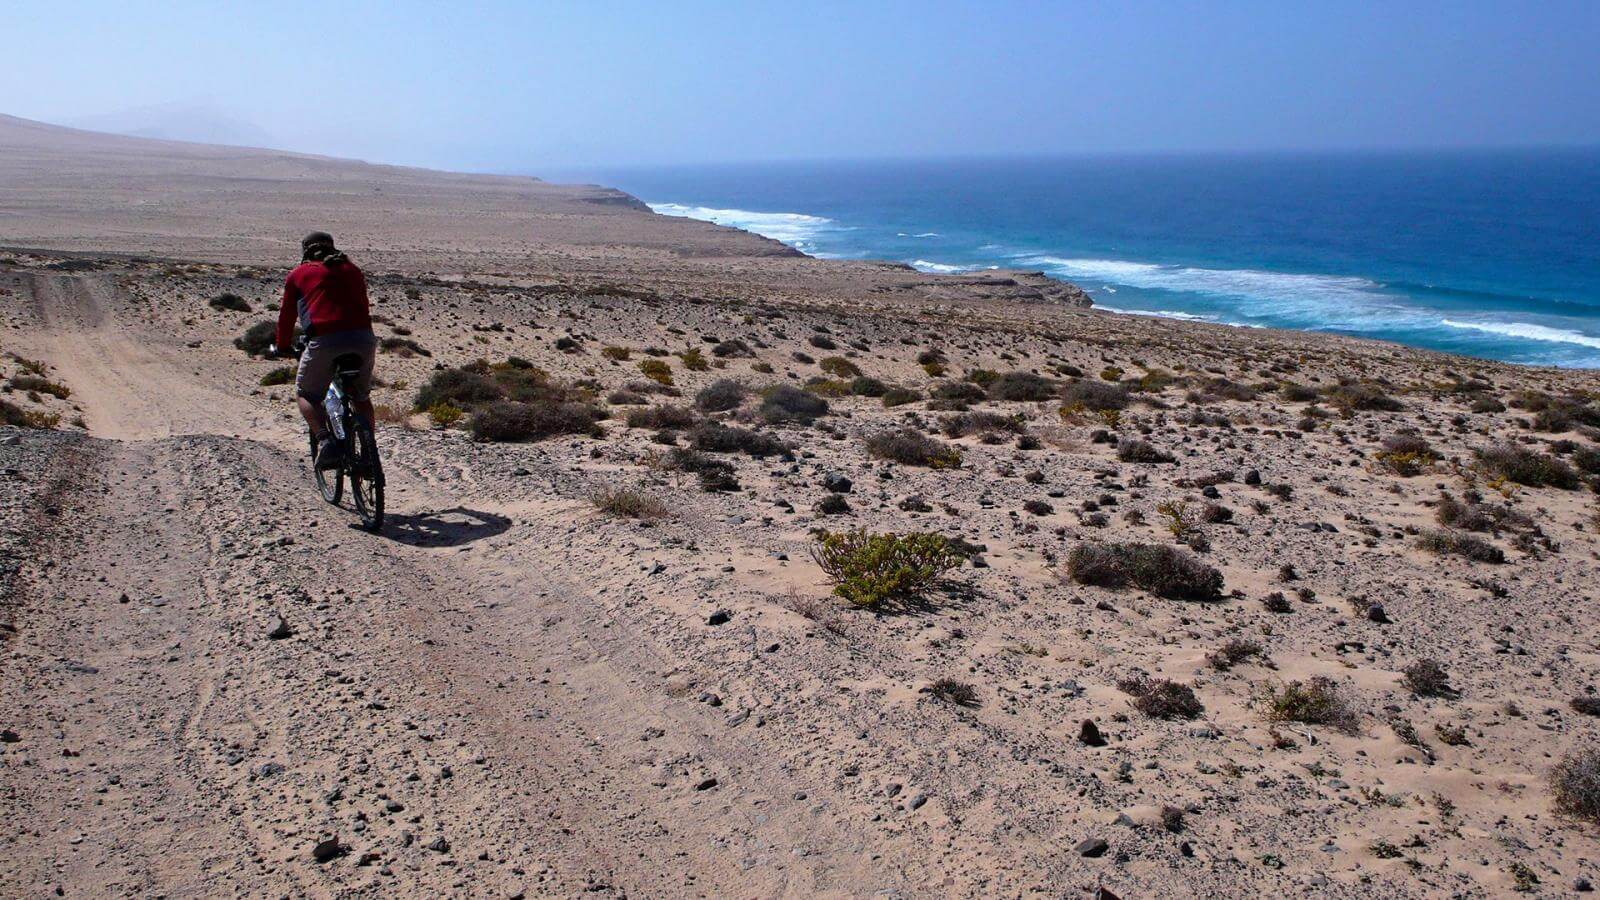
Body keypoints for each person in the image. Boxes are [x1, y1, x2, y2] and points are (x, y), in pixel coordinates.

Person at [272, 231, 378, 469]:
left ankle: (326, 440)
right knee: (361, 396)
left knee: (306, 393)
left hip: (325, 340)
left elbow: (287, 316)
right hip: (364, 339)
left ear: (305, 251)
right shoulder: (352, 269)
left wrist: (282, 346)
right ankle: (369, 447)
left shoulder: (299, 274)